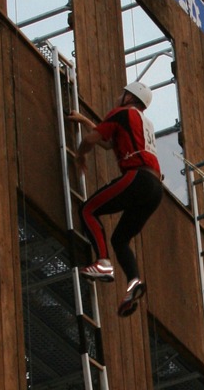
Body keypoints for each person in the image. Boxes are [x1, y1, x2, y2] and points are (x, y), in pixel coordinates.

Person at [68, 81, 163, 317]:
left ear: (129, 98)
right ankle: (133, 283)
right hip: (154, 189)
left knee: (88, 210)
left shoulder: (121, 113)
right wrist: (84, 121)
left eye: (123, 93)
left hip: (137, 177)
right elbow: (108, 144)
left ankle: (103, 263)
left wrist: (80, 156)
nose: (118, 96)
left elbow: (91, 141)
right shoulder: (145, 123)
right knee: (120, 240)